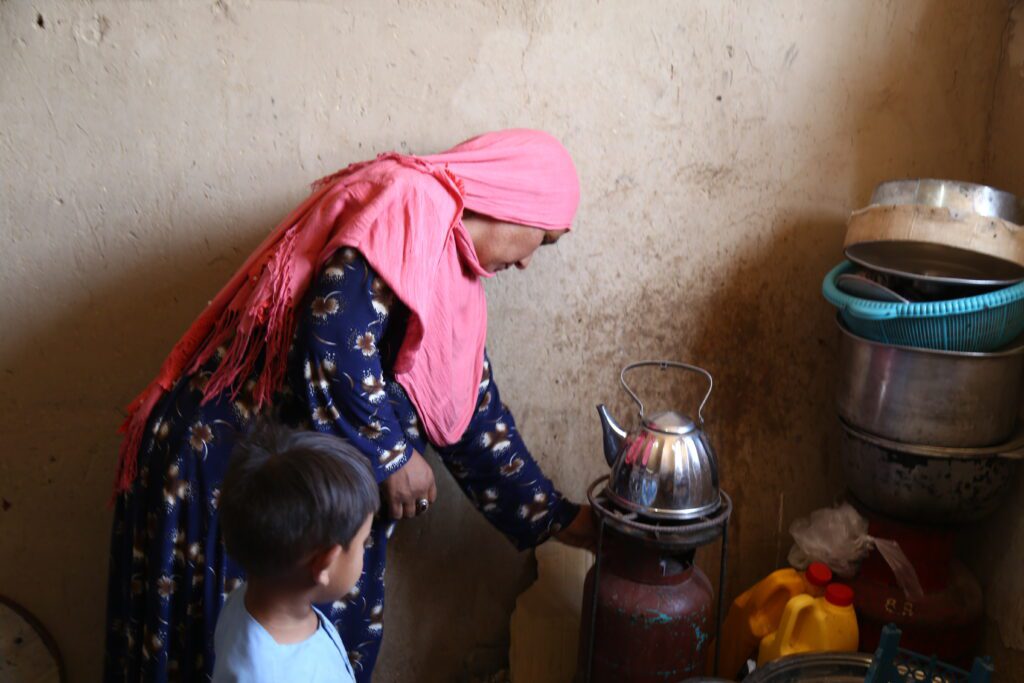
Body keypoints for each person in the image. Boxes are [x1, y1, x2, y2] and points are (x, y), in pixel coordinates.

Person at [104, 129, 594, 683]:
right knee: (221, 654)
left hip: (289, 485)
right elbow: (334, 327)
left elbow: (471, 420)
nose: (531, 263)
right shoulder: (413, 201)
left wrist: (563, 518)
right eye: (544, 240)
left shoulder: (451, 277)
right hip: (230, 470)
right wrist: (390, 456)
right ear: (518, 199)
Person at [212, 422, 377, 683]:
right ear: (325, 562)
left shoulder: (245, 598)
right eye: (364, 543)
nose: (365, 552)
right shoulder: (271, 675)